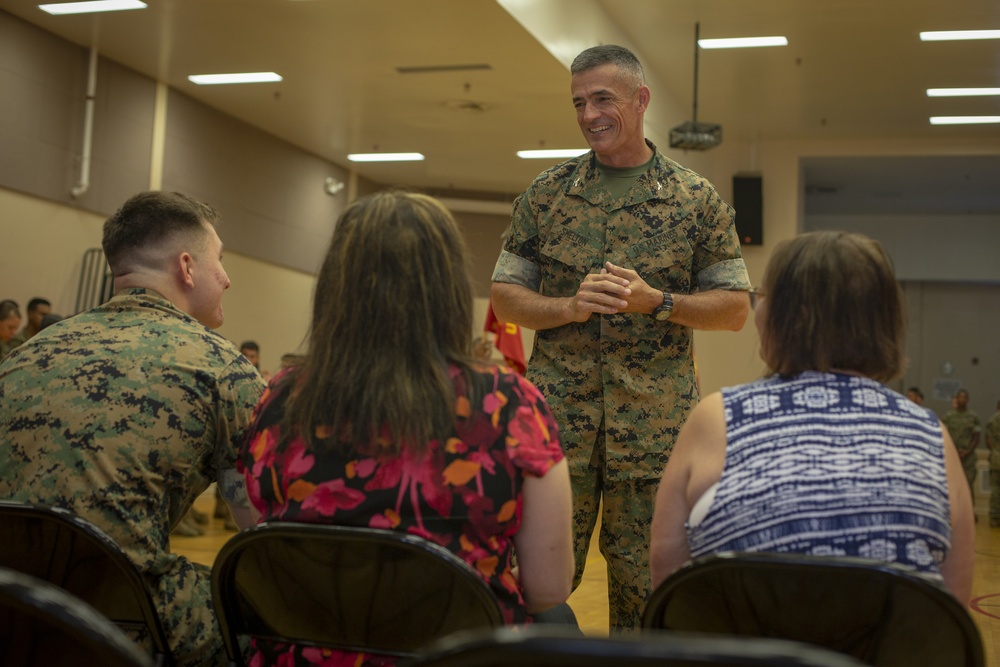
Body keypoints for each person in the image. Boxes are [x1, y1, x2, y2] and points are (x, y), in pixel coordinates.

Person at [240, 191, 574, 666]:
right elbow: (548, 587)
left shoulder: (279, 398)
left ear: (335, 285)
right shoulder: (508, 405)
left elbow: (264, 545)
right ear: (450, 288)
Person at [489, 44, 750, 629]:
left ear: (641, 100)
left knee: (650, 589)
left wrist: (658, 302)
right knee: (533, 581)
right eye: (579, 102)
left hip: (655, 429)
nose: (589, 115)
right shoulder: (547, 193)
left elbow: (735, 308)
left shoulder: (694, 199)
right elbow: (505, 296)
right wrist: (567, 306)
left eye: (602, 99)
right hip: (558, 427)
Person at [0, 191, 266, 666]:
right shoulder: (222, 367)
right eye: (219, 260)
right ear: (187, 267)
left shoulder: (26, 354)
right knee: (269, 623)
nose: (227, 278)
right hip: (120, 618)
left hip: (10, 603)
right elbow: (260, 536)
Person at [649, 231, 975, 606]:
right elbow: (951, 614)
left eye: (762, 297)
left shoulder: (716, 418)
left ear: (786, 317)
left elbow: (669, 589)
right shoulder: (931, 436)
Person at [942, 388, 982, 496]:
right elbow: (944, 435)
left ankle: (969, 512)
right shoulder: (949, 417)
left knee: (968, 486)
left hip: (968, 457)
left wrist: (967, 451)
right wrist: (954, 451)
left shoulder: (973, 417)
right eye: (960, 397)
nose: (962, 400)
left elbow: (976, 437)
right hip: (952, 455)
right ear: (956, 399)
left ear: (968, 399)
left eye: (964, 397)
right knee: (951, 486)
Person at [986, 400, 1000, 527]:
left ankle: (995, 517)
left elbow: (988, 439)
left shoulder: (993, 419)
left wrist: (995, 451)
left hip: (996, 458)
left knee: (995, 489)